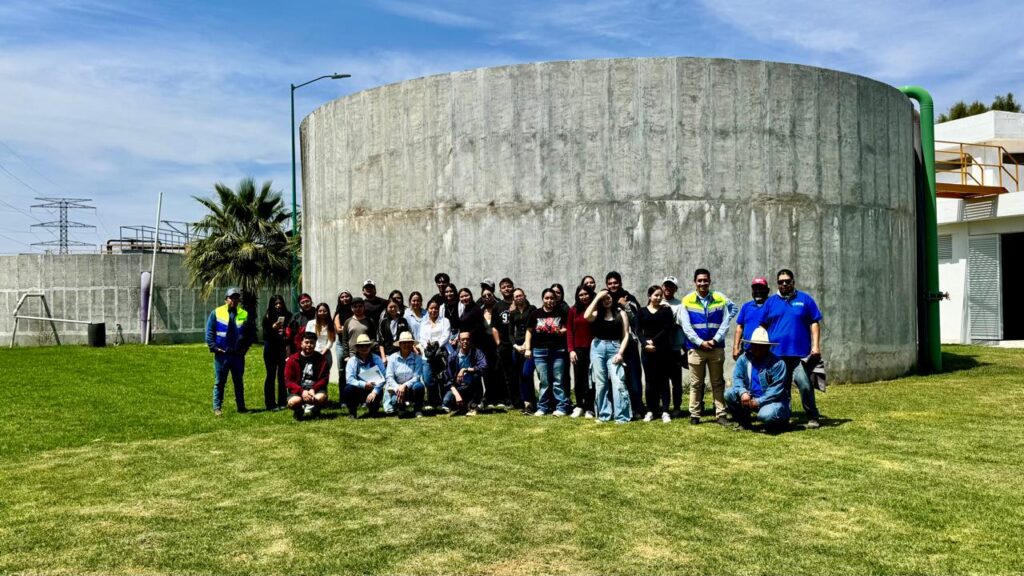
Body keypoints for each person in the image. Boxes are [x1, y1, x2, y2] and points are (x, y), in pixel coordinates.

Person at [761, 269, 824, 429]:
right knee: (782, 388)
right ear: (777, 284)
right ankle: (784, 417)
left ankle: (813, 417)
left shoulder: (805, 299)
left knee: (804, 384)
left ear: (793, 282)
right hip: (776, 355)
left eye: (787, 281)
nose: (784, 284)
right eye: (781, 282)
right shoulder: (770, 302)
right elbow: (762, 326)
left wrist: (816, 346)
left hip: (800, 355)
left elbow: (814, 322)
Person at [677, 268, 739, 426]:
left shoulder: (719, 298)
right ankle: (695, 415)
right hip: (696, 348)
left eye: (705, 280)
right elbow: (686, 326)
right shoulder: (687, 300)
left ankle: (721, 414)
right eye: (700, 280)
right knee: (696, 384)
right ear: (695, 282)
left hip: (715, 348)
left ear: (709, 281)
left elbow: (726, 321)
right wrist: (700, 342)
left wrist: (715, 339)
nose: (702, 283)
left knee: (717, 382)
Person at [725, 327, 790, 432]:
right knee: (729, 394)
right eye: (755, 345)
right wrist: (743, 393)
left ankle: (780, 421)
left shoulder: (778, 364)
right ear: (751, 345)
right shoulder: (743, 359)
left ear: (768, 347)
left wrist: (758, 401)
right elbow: (737, 378)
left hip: (772, 401)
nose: (757, 348)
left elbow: (776, 390)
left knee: (765, 415)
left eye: (761, 346)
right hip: (751, 397)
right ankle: (744, 422)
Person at [205, 287, 256, 416]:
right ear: (226, 299)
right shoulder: (216, 312)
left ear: (239, 300)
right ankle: (217, 407)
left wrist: (245, 348)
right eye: (231, 298)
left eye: (236, 298)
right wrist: (214, 347)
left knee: (238, 382)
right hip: (222, 354)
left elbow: (250, 333)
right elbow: (209, 331)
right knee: (220, 382)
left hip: (238, 355)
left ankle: (241, 407)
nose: (234, 300)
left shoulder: (244, 314)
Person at [585, 289, 632, 423]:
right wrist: (596, 298)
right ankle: (604, 415)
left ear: (613, 298)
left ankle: (622, 416)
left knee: (618, 382)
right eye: (603, 299)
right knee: (601, 383)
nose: (606, 300)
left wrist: (620, 353)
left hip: (615, 348)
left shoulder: (621, 313)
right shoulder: (596, 313)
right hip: (597, 348)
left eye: (608, 298)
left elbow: (626, 335)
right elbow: (586, 316)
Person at [524, 288, 570, 416]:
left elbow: (567, 328)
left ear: (555, 299)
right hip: (539, 352)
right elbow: (529, 331)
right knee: (544, 381)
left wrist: (561, 331)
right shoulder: (535, 314)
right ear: (543, 299)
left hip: (558, 351)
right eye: (547, 298)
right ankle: (542, 407)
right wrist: (528, 349)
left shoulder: (561, 312)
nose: (549, 300)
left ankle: (561, 407)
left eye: (552, 298)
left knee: (558, 380)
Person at [605, 271, 644, 417]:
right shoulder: (606, 299)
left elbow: (637, 319)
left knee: (633, 377)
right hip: (613, 344)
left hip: (630, 344)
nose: (613, 285)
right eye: (610, 283)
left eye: (615, 283)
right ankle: (618, 408)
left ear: (620, 283)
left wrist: (625, 305)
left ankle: (638, 408)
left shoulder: (629, 298)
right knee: (615, 378)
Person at [639, 285, 675, 423]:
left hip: (663, 350)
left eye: (660, 295)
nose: (659, 298)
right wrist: (644, 343)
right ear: (649, 296)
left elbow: (667, 329)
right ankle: (650, 410)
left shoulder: (666, 311)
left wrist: (653, 341)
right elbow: (637, 329)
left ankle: (665, 411)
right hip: (647, 351)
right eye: (656, 295)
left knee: (664, 380)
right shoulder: (642, 311)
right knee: (650, 381)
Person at [284, 331, 329, 420]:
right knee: (294, 402)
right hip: (298, 390)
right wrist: (302, 391)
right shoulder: (292, 360)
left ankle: (316, 410)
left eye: (312, 343)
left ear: (315, 344)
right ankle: (298, 411)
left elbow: (324, 378)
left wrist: (313, 389)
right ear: (301, 343)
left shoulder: (321, 359)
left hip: (315, 389)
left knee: (320, 398)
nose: (309, 345)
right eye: (306, 342)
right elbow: (288, 381)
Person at [566, 284, 595, 418]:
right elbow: (569, 331)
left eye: (586, 294)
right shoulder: (573, 310)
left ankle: (590, 407)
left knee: (591, 379)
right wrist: (571, 350)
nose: (584, 297)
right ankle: (579, 405)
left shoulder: (595, 308)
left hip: (593, 349)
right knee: (578, 379)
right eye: (581, 295)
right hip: (578, 349)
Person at [442, 331, 487, 416]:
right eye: (463, 339)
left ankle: (474, 405)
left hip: (473, 386)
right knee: (446, 402)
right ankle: (463, 406)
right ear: (459, 341)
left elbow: (484, 366)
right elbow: (448, 378)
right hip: (458, 387)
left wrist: (465, 369)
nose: (465, 341)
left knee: (476, 375)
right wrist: (456, 394)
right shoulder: (452, 357)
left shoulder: (477, 353)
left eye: (467, 339)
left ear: (471, 340)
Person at [341, 334, 386, 418]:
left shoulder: (376, 358)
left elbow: (383, 376)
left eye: (367, 345)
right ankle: (352, 412)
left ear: (370, 347)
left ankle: (373, 410)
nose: (364, 348)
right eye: (361, 346)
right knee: (348, 389)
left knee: (375, 406)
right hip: (358, 389)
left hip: (373, 389)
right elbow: (349, 379)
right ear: (357, 348)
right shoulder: (352, 361)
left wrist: (375, 391)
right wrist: (364, 385)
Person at [418, 298, 452, 409]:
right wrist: (427, 347)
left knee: (443, 378)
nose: (434, 310)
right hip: (427, 355)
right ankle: (434, 401)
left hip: (442, 353)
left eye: (436, 308)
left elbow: (446, 336)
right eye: (431, 308)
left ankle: (445, 402)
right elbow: (422, 338)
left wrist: (436, 345)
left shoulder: (445, 321)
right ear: (427, 309)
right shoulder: (424, 323)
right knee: (428, 379)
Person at [661, 276, 686, 418]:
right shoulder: (656, 301)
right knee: (661, 380)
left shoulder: (680, 304)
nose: (668, 288)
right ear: (662, 287)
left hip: (675, 348)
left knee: (676, 381)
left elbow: (681, 324)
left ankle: (677, 407)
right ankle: (663, 407)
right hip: (660, 348)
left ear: (676, 289)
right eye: (666, 285)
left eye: (671, 286)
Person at [384, 331, 427, 417]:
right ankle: (401, 408)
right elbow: (389, 377)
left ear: (412, 344)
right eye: (404, 343)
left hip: (412, 387)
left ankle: (418, 409)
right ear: (400, 344)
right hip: (398, 388)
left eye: (409, 342)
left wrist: (405, 385)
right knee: (395, 402)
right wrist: (398, 387)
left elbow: (417, 376)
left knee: (419, 386)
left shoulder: (417, 358)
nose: (407, 345)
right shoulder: (392, 358)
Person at [509, 288, 536, 414]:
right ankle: (526, 403)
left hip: (530, 346)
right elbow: (510, 333)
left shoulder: (532, 309)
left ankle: (531, 401)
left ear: (524, 296)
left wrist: (526, 344)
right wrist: (516, 346)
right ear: (513, 299)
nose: (519, 298)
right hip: (517, 348)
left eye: (520, 295)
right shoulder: (512, 313)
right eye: (516, 296)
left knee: (527, 373)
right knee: (520, 376)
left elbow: (534, 328)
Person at [261, 294, 290, 411]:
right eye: (276, 304)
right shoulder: (267, 316)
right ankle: (270, 403)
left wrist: (285, 332)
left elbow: (291, 331)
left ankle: (283, 401)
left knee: (282, 376)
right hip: (270, 349)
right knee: (271, 375)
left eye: (280, 303)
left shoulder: (288, 315)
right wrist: (273, 327)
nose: (278, 306)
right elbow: (265, 335)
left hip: (282, 348)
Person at [732, 277, 771, 360]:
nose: (758, 291)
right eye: (755, 289)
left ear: (767, 290)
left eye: (761, 288)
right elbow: (740, 327)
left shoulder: (772, 306)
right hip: (747, 352)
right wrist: (735, 347)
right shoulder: (746, 306)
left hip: (767, 353)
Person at [478, 286, 504, 408]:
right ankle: (489, 398)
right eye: (484, 296)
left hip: (497, 344)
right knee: (486, 372)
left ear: (493, 295)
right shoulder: (480, 310)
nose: (487, 297)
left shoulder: (499, 308)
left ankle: (500, 398)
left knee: (498, 370)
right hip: (484, 346)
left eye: (489, 295)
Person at [305, 302, 336, 375]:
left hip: (326, 353)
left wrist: (323, 353)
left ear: (328, 312)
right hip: (312, 352)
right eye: (320, 311)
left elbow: (331, 341)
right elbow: (307, 338)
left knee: (324, 375)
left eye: (325, 311)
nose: (322, 313)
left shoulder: (331, 325)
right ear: (317, 312)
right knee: (311, 375)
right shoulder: (311, 323)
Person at [333, 291, 353, 365]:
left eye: (346, 296)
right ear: (339, 299)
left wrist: (344, 327)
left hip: (353, 342)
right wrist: (350, 327)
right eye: (342, 297)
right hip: (341, 343)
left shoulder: (355, 311)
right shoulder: (338, 313)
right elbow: (338, 330)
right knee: (341, 368)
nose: (345, 298)